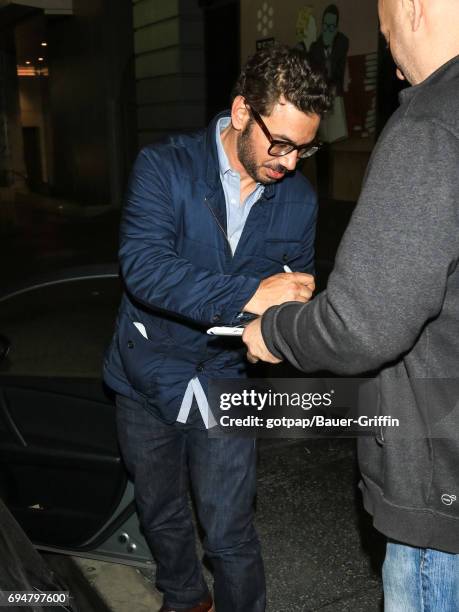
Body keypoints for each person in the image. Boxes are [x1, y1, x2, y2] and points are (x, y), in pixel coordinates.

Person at [243, 1, 459, 610]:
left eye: (386, 33)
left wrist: (277, 329)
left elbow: (364, 323)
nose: (392, 61)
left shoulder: (432, 125)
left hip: (441, 489)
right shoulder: (166, 169)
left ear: (414, 8)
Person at [103, 45, 331, 612]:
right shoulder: (165, 168)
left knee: (230, 532)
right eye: (280, 143)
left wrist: (285, 327)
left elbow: (291, 289)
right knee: (160, 512)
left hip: (229, 379)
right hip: (146, 376)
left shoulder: (298, 199)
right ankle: (185, 599)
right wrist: (251, 295)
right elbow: (146, 269)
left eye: (305, 147)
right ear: (239, 111)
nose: (291, 162)